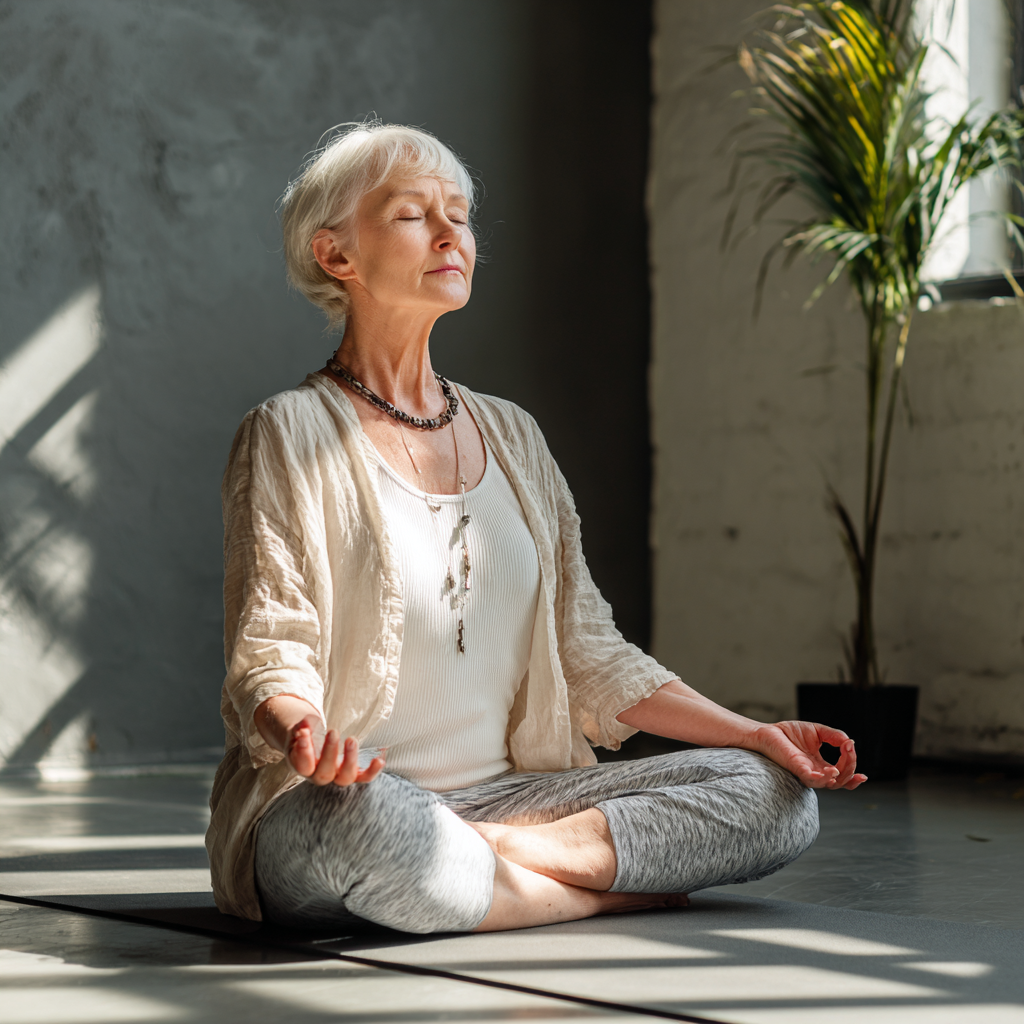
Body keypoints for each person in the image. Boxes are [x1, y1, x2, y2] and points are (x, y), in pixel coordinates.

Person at [205, 122, 866, 935]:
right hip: (353, 800)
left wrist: (756, 732)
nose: (453, 234)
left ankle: (488, 864)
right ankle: (593, 887)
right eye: (415, 215)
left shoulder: (511, 434)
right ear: (336, 255)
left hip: (512, 798)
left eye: (461, 213)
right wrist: (302, 731)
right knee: (367, 829)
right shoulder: (287, 431)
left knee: (773, 793)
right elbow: (272, 644)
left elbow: (591, 651)